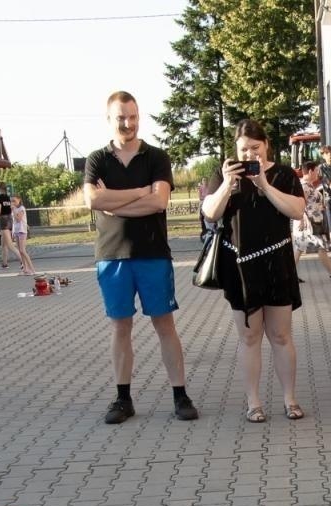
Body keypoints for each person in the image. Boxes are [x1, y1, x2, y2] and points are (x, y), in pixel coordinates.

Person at [84, 89, 198, 425]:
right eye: (121, 117)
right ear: (109, 119)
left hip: (152, 254)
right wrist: (138, 193)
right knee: (121, 327)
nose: (128, 123)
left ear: (139, 116)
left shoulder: (157, 157)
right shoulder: (96, 159)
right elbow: (93, 201)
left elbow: (159, 202)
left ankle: (180, 395)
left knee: (165, 325)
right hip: (112, 256)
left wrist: (113, 200)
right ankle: (123, 399)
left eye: (132, 116)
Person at [200, 119, 308, 424]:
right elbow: (210, 213)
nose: (249, 155)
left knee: (281, 335)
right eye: (244, 149)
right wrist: (225, 184)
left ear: (266, 146)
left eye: (255, 148)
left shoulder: (283, 174)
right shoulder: (226, 175)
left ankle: (290, 399)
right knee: (249, 337)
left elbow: (297, 210)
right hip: (240, 268)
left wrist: (264, 184)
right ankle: (254, 402)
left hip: (277, 264)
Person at [293, 162, 331, 281]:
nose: (317, 173)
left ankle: (291, 275)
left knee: (300, 248)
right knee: (321, 246)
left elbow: (310, 202)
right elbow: (300, 203)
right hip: (310, 223)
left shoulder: (307, 185)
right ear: (310, 171)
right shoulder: (304, 186)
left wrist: (320, 206)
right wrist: (301, 219)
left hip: (311, 222)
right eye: (316, 171)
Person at [10, 194, 36, 275]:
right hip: (17, 231)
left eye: (14, 200)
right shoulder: (14, 209)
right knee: (20, 252)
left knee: (22, 250)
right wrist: (13, 232)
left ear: (19, 200)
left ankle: (32, 269)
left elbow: (18, 219)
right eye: (11, 201)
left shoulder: (21, 208)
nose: (13, 202)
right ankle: (25, 269)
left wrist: (13, 210)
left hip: (22, 231)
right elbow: (14, 222)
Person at [0, 182, 14, 268]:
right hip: (9, 219)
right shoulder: (8, 198)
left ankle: (22, 261)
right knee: (4, 244)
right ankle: (4, 263)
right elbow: (11, 209)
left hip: (3, 220)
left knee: (9, 245)